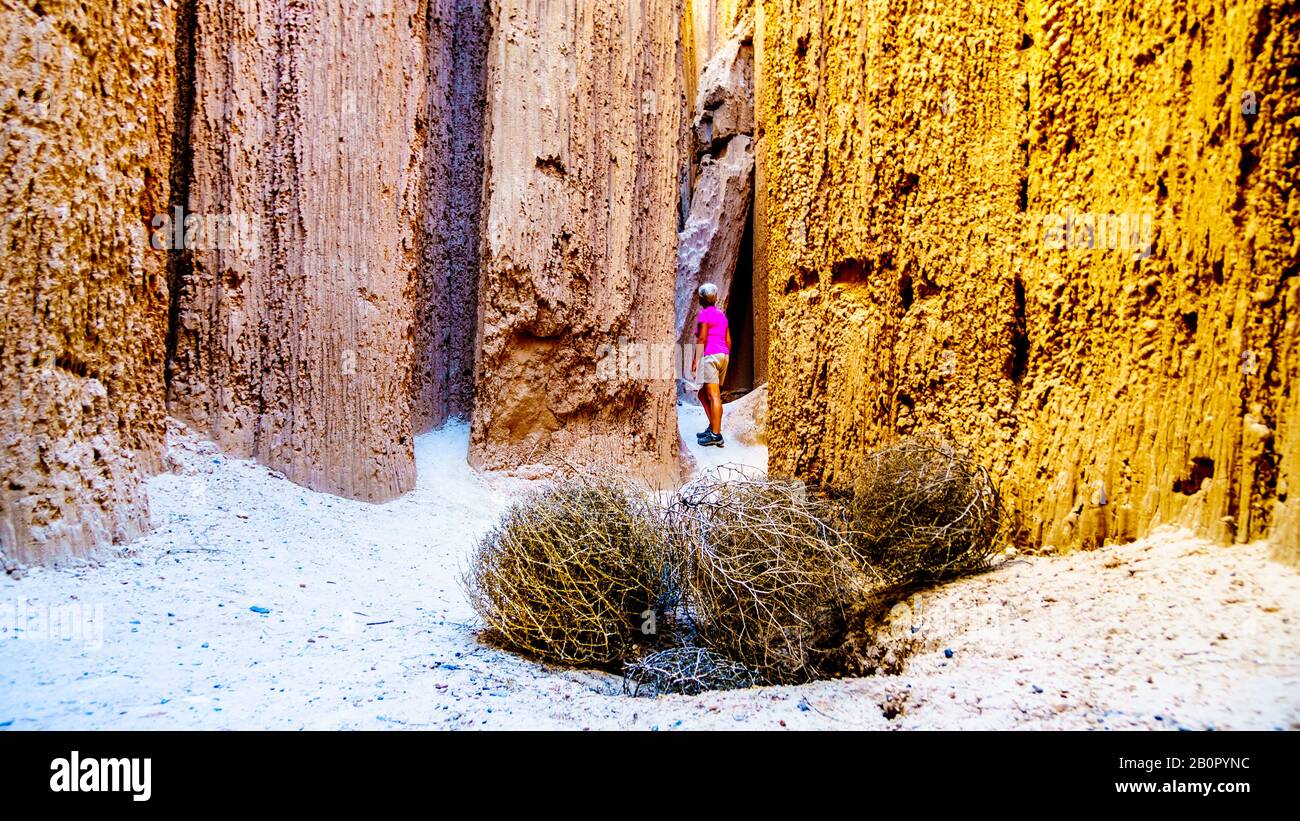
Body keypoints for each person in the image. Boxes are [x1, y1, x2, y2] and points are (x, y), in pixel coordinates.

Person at [690, 283, 731, 447]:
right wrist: (725, 357)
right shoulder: (722, 316)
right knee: (703, 394)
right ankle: (713, 426)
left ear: (701, 299)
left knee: (714, 396)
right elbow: (728, 340)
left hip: (711, 355)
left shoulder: (704, 315)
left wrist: (696, 360)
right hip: (723, 355)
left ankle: (716, 434)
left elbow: (702, 338)